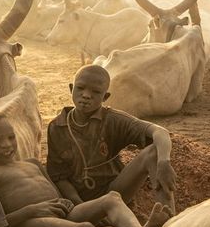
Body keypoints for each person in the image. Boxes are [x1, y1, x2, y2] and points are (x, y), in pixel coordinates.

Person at [0, 113, 171, 227]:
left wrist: (76, 205)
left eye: (11, 137)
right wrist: (33, 210)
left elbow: (56, 194)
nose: (6, 144)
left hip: (62, 213)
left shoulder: (32, 163)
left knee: (112, 198)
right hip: (33, 224)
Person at [47, 65, 177, 213]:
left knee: (154, 153)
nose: (86, 95)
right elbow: (58, 176)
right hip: (77, 200)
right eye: (80, 88)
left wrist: (164, 162)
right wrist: (80, 206)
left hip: (114, 192)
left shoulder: (113, 120)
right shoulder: (57, 127)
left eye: (95, 92)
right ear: (71, 89)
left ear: (105, 97)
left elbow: (159, 132)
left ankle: (169, 221)